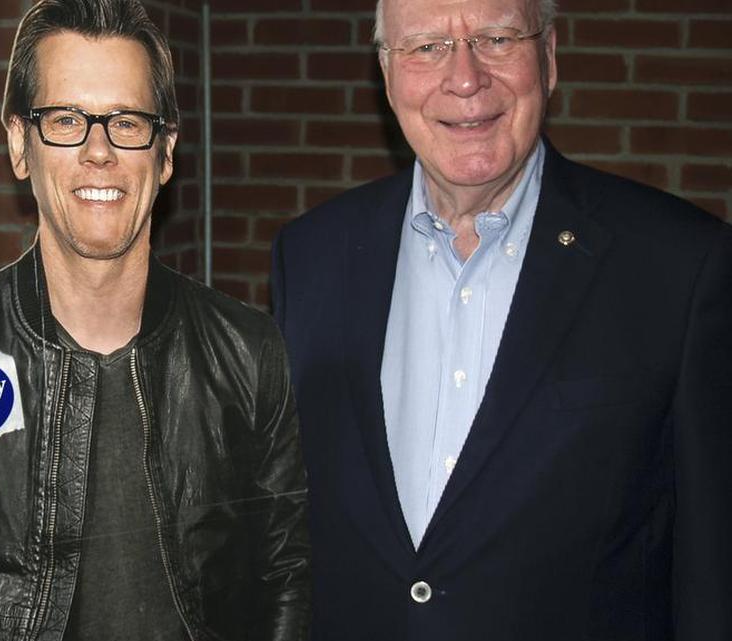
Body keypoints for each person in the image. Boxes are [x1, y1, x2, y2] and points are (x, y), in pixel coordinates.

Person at [271, 0, 732, 638]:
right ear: (386, 73)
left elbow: (712, 570)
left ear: (548, 57)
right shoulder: (310, 256)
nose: (464, 77)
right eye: (426, 47)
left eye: (495, 38)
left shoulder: (680, 266)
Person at [0, 1, 310, 639]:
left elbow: (286, 583)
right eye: (66, 120)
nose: (99, 151)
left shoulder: (248, 353)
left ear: (165, 151)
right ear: (20, 145)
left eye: (126, 121)